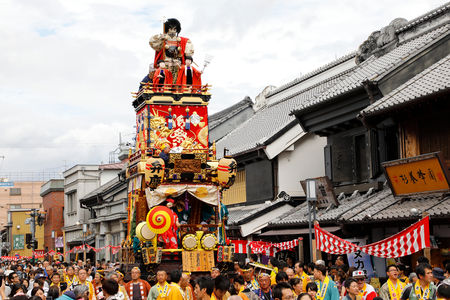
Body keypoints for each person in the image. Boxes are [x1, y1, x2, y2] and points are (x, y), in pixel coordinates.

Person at [149, 18, 194, 82]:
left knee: (178, 80)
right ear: (167, 29)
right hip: (165, 63)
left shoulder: (183, 41)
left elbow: (188, 54)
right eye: (170, 28)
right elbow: (153, 44)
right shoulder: (162, 39)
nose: (172, 31)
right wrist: (160, 38)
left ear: (177, 29)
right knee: (163, 79)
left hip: (178, 64)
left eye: (175, 29)